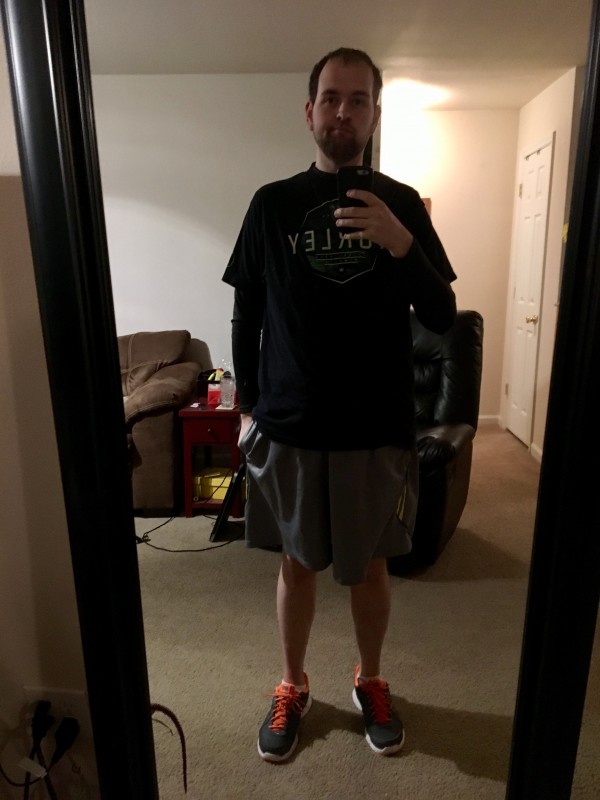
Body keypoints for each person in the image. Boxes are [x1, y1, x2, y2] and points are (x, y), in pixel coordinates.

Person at [222, 47, 457, 763]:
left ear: (374, 114)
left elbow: (442, 316)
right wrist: (247, 407)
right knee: (296, 565)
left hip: (374, 424)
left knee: (371, 567)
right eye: (331, 98)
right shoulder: (272, 203)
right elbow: (246, 313)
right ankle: (292, 684)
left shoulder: (402, 204)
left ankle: (370, 680)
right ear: (309, 111)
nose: (343, 112)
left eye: (358, 100)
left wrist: (402, 243)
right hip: (291, 421)